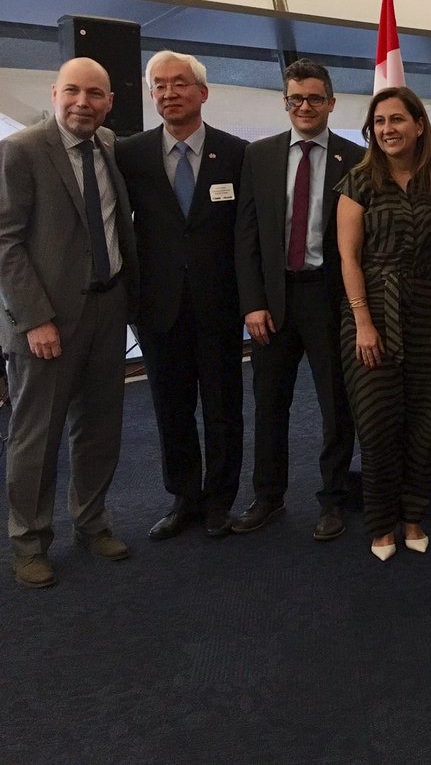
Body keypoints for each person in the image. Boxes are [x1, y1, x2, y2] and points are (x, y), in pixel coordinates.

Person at [0, 57, 139, 588]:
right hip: (46, 321)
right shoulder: (22, 150)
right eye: (74, 92)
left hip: (108, 311)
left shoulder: (108, 147)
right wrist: (35, 319)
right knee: (36, 436)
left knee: (101, 426)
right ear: (55, 93)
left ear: (109, 102)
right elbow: (6, 242)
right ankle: (29, 542)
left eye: (96, 94)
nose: (84, 102)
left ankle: (91, 521)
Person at [116, 51, 247, 541]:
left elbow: (246, 234)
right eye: (159, 86)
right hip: (158, 305)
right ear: (151, 95)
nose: (169, 93)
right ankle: (184, 498)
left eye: (179, 84)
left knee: (223, 407)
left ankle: (220, 502)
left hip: (220, 303)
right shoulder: (128, 154)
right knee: (170, 409)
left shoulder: (237, 154)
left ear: (203, 93)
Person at [233, 58, 361, 541]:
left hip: (329, 298)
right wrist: (252, 303)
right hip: (273, 302)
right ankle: (267, 497)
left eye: (313, 98)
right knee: (269, 404)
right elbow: (245, 236)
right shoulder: (258, 156)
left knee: (336, 405)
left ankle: (332, 500)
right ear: (285, 103)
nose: (304, 106)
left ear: (331, 102)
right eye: (295, 99)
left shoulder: (356, 158)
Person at [336, 87, 431, 561]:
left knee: (422, 420)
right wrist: (364, 322)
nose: (387, 130)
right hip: (369, 309)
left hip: (429, 309)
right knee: (376, 423)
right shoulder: (359, 180)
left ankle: (413, 517)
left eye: (397, 120)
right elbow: (348, 258)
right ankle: (381, 524)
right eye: (379, 122)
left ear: (419, 125)